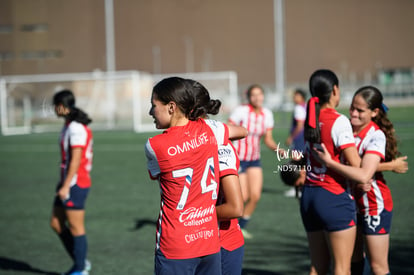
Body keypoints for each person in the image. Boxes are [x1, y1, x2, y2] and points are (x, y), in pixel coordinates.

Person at [314, 86, 408, 275]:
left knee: (378, 266)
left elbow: (366, 170)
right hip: (348, 203)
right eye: (352, 108)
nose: (354, 114)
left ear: (374, 112)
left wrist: (331, 164)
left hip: (373, 204)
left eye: (360, 111)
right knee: (352, 262)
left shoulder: (376, 135)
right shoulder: (344, 126)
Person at [145, 77, 231, 275]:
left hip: (176, 246)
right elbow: (241, 131)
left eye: (154, 105)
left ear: (171, 107)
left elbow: (156, 174)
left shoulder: (154, 146)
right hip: (209, 241)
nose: (151, 112)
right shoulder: (210, 129)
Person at [300, 69, 365, 275]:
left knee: (317, 267)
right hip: (333, 197)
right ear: (335, 90)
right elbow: (357, 166)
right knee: (342, 268)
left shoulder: (312, 117)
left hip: (309, 196)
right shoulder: (339, 120)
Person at [228, 84, 281, 239]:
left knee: (255, 196)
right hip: (238, 159)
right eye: (253, 95)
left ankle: (240, 227)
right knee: (243, 196)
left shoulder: (267, 114)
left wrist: (281, 151)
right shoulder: (241, 111)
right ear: (249, 97)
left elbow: (268, 140)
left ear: (263, 96)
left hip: (254, 159)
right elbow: (228, 130)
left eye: (259, 94)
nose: (257, 98)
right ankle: (227, 227)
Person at [50, 90, 93, 275]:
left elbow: (75, 160)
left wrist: (66, 185)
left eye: (55, 105)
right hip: (67, 182)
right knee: (56, 223)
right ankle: (81, 260)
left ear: (62, 106)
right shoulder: (69, 125)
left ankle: (80, 268)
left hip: (75, 184)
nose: (54, 109)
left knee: (76, 227)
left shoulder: (75, 127)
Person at [284, 88, 307, 197]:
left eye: (296, 96)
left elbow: (299, 125)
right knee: (303, 163)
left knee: (295, 163)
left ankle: (296, 186)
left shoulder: (298, 108)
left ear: (301, 97)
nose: (294, 98)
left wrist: (291, 137)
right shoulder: (306, 106)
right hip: (305, 138)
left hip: (299, 139)